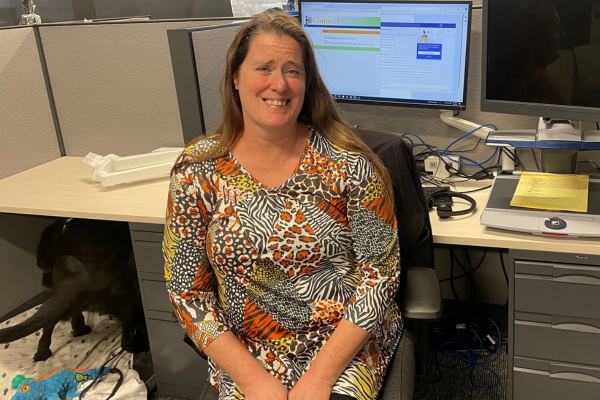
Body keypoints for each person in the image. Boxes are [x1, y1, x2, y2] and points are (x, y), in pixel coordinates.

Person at [163, 11, 402, 400]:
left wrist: (321, 378)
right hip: (248, 349)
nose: (280, 84)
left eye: (293, 70)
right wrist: (255, 381)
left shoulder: (350, 166)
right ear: (235, 78)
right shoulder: (197, 170)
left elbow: (381, 278)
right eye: (264, 68)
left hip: (345, 345)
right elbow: (187, 293)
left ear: (307, 84)